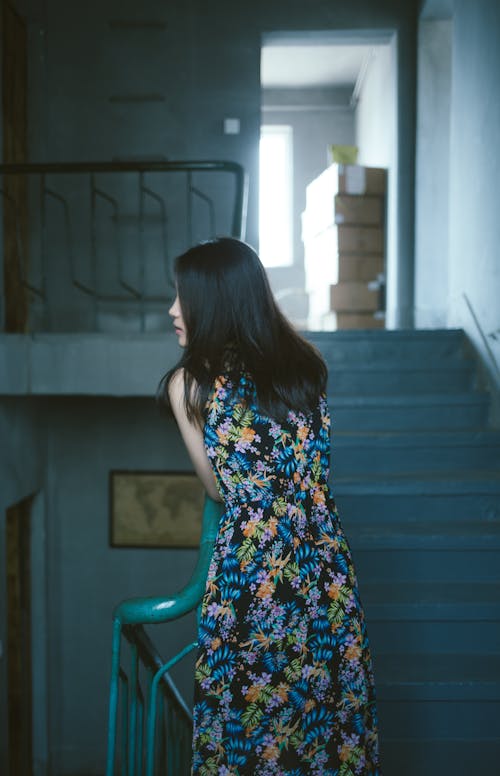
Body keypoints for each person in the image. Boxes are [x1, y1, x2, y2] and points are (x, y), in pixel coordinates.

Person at [158, 237, 380, 775]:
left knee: (247, 739)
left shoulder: (191, 385)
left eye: (181, 298)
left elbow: (218, 488)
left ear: (215, 301)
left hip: (251, 579)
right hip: (322, 573)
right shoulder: (306, 370)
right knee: (327, 734)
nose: (171, 312)